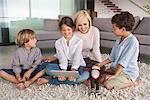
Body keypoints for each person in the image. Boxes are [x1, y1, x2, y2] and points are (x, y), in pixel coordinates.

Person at [93, 12, 139, 90]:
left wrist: (115, 76)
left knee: (107, 85)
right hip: (115, 69)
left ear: (123, 29)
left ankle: (133, 83)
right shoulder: (119, 39)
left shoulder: (132, 42)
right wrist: (100, 64)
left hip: (127, 72)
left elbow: (123, 62)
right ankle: (115, 77)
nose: (112, 30)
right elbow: (112, 57)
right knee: (98, 79)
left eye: (114, 28)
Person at [37, 16, 89, 85]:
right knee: (48, 69)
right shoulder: (58, 42)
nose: (66, 32)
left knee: (86, 75)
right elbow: (62, 58)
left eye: (68, 29)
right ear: (60, 30)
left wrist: (73, 72)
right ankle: (72, 80)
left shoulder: (79, 41)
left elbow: (77, 57)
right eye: (64, 30)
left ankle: (49, 81)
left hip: (77, 67)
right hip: (64, 66)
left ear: (73, 29)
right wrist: (63, 72)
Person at [73, 10, 104, 90]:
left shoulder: (95, 31)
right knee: (83, 69)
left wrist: (100, 63)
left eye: (85, 24)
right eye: (79, 25)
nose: (83, 27)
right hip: (75, 59)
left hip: (86, 59)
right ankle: (86, 79)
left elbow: (96, 49)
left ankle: (87, 78)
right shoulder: (74, 33)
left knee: (102, 67)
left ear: (89, 22)